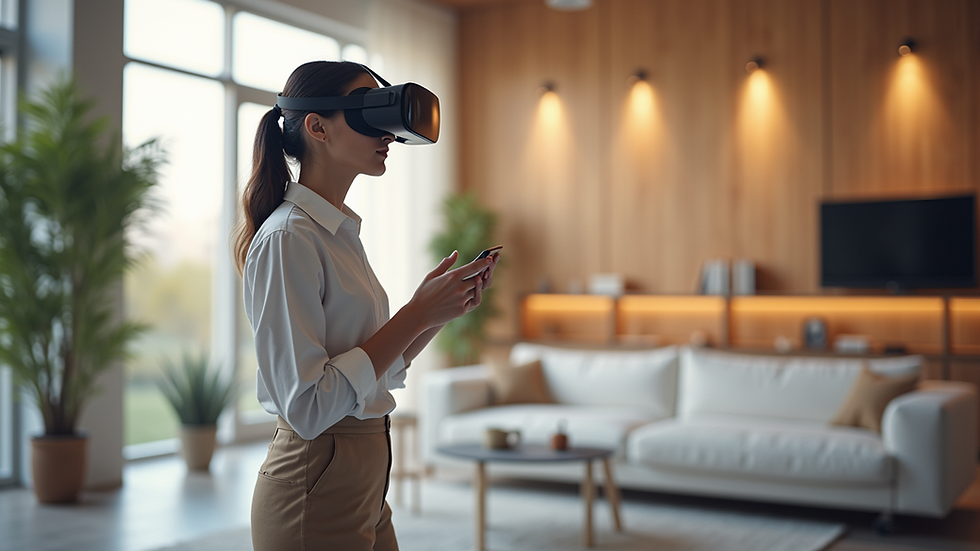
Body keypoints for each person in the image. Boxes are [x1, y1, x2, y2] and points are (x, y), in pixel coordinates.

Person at [233, 60, 498, 551]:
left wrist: (436, 315)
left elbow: (371, 370)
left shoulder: (337, 234)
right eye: (367, 113)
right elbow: (310, 406)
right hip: (315, 481)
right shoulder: (289, 239)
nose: (389, 135)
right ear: (317, 127)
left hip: (366, 476)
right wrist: (414, 313)